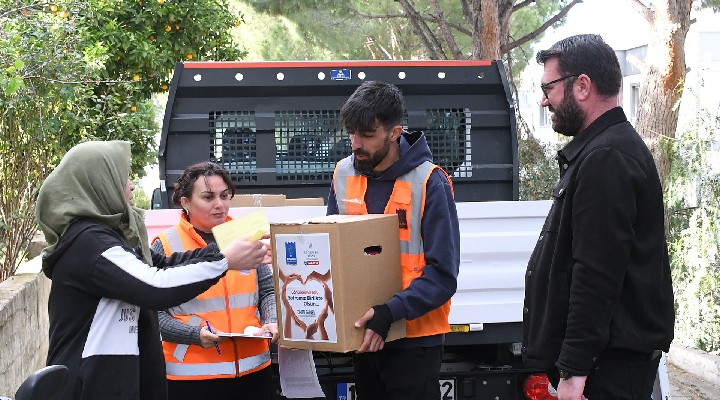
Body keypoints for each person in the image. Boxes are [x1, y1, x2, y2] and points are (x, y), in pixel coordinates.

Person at [35, 141, 271, 400]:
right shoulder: (88, 243)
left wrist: (220, 254)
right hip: (88, 386)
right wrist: (224, 261)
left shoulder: (108, 238)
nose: (132, 185)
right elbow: (154, 285)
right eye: (123, 178)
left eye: (225, 196)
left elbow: (163, 264)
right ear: (99, 184)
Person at [522, 34, 675, 400]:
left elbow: (596, 273)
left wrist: (575, 371)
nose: (544, 100)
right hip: (604, 367)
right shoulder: (602, 151)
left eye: (549, 87)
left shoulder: (607, 157)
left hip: (606, 373)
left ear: (582, 86)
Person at [327, 80, 460, 400]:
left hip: (414, 342)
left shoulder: (430, 181)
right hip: (364, 337)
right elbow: (330, 248)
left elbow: (443, 275)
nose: (356, 143)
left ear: (395, 132)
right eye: (351, 134)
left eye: (367, 135)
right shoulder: (344, 174)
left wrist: (389, 312)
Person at [151, 162, 277, 400]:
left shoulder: (246, 235)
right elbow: (152, 313)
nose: (219, 205)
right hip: (191, 379)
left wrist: (271, 321)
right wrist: (193, 335)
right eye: (208, 197)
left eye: (225, 196)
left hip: (254, 372)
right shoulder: (165, 245)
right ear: (185, 201)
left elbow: (268, 291)